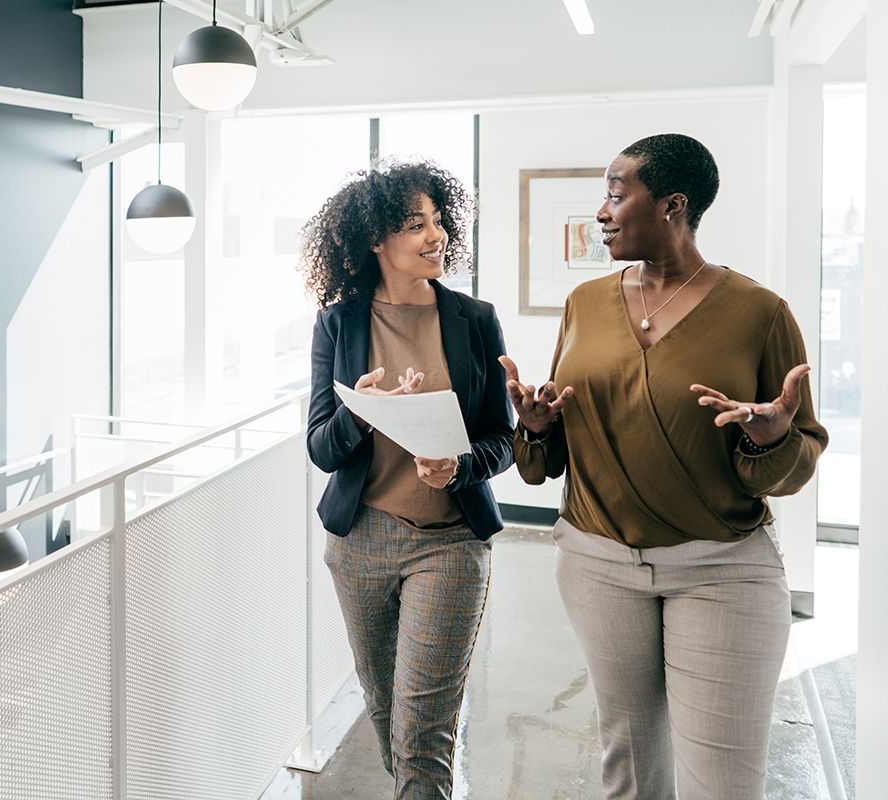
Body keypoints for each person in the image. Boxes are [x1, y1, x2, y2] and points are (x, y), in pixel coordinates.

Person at [501, 133, 828, 800]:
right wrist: (536, 429)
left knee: (724, 782)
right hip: (597, 566)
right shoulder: (584, 306)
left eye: (617, 196)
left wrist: (769, 439)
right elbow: (547, 465)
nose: (602, 212)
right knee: (632, 769)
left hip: (722, 570)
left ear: (673, 206)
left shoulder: (759, 314)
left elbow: (793, 466)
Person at [301, 161, 514, 799]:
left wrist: (460, 466)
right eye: (416, 224)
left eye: (439, 220)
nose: (436, 234)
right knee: (387, 711)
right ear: (375, 240)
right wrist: (357, 413)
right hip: (360, 541)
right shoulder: (338, 324)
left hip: (450, 543)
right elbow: (321, 447)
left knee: (423, 729)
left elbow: (502, 440)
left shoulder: (474, 319)